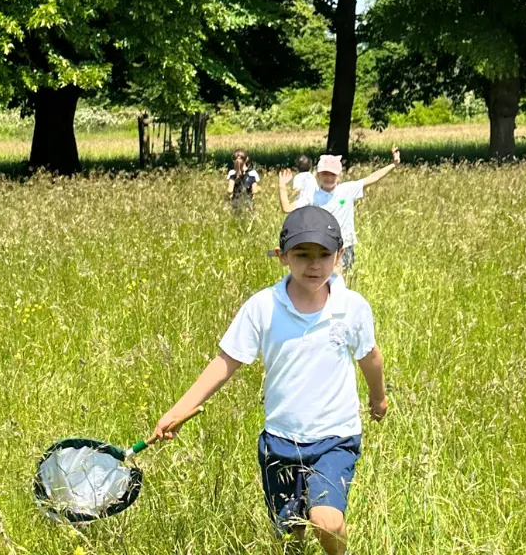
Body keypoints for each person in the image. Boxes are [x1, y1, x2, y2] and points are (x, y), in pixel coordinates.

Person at [150, 206, 388, 555]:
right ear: (282, 257)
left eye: (324, 254)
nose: (314, 264)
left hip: (336, 436)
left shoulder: (352, 308)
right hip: (280, 441)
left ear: (339, 256)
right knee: (289, 536)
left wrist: (378, 399)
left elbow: (370, 357)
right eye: (302, 254)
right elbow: (225, 362)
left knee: (326, 520)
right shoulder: (262, 307)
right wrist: (179, 410)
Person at [278, 146, 401, 272]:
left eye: (333, 174)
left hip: (345, 244)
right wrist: (282, 186)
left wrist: (394, 164)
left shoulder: (347, 190)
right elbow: (287, 208)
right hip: (323, 246)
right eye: (325, 174)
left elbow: (372, 178)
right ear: (318, 175)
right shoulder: (312, 196)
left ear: (339, 175)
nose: (329, 178)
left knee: (343, 283)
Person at [227, 150, 260, 214]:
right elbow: (255, 192)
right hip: (248, 204)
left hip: (235, 204)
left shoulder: (232, 174)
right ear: (246, 159)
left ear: (234, 160)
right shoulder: (253, 173)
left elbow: (229, 191)